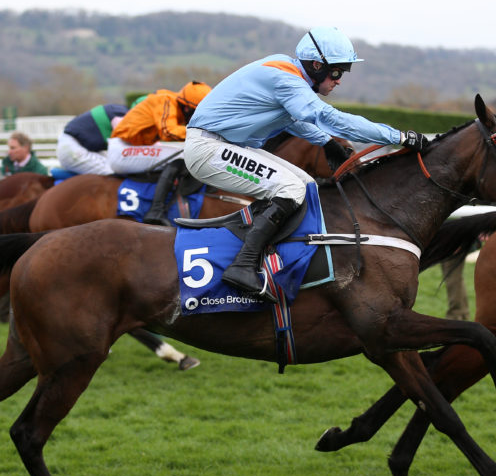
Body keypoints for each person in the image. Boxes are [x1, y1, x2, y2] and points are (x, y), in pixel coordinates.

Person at [183, 26, 429, 302]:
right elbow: (325, 116)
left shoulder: (289, 72)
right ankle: (243, 266)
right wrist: (396, 136)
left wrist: (327, 143)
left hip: (224, 145)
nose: (338, 81)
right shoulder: (285, 78)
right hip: (208, 148)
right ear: (316, 65)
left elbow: (295, 120)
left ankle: (277, 258)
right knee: (290, 189)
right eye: (337, 72)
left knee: (307, 186)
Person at [108, 81, 212, 225]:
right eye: (196, 112)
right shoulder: (166, 101)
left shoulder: (174, 104)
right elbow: (168, 131)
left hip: (130, 147)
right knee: (180, 157)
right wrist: (202, 133)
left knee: (180, 154)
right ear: (187, 108)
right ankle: (156, 211)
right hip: (122, 149)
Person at [56, 103, 129, 176]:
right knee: (116, 175)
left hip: (77, 146)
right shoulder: (122, 115)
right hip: (72, 148)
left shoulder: (119, 110)